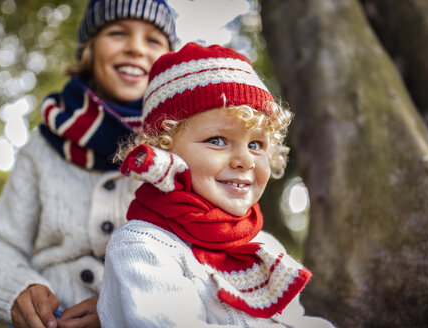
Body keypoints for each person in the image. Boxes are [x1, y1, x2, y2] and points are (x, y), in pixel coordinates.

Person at [97, 42, 335, 327]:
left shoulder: (262, 246)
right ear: (163, 149)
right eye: (217, 141)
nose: (245, 160)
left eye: (257, 144)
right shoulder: (144, 246)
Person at [0, 1, 176, 327]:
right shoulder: (43, 148)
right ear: (88, 49)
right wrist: (17, 288)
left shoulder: (185, 151)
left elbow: (208, 264)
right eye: (118, 32)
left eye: (153, 40)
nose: (135, 47)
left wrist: (122, 306)